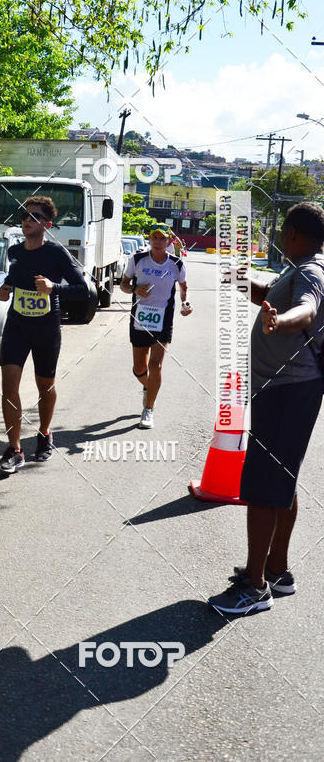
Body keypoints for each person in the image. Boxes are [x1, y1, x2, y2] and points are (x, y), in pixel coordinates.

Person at [209, 202, 324, 614]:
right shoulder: (297, 267)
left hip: (289, 392)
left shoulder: (311, 271)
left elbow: (306, 310)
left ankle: (254, 587)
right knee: (282, 480)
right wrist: (240, 280)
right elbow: (273, 298)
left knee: (261, 486)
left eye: (282, 230)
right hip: (288, 390)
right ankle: (277, 569)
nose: (278, 236)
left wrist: (282, 322)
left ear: (292, 232)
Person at [0, 196, 89, 473]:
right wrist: (4, 289)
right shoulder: (15, 252)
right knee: (9, 386)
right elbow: (13, 279)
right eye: (25, 215)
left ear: (47, 224)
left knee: (44, 386)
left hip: (46, 327)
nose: (27, 220)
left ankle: (45, 433)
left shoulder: (57, 253)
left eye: (34, 216)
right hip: (17, 326)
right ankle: (14, 449)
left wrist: (53, 287)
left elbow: (83, 290)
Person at [120, 223, 192, 429]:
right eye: (155, 238)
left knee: (155, 365)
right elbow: (123, 285)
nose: (158, 242)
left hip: (164, 318)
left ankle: (148, 410)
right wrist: (135, 289)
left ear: (169, 241)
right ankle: (149, 387)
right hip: (140, 317)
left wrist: (186, 303)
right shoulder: (137, 260)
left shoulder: (176, 264)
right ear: (149, 239)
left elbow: (184, 287)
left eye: (163, 238)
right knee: (139, 368)